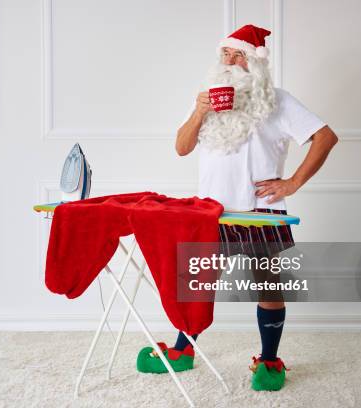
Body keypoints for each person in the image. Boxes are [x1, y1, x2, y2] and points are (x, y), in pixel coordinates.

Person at [136, 24, 338, 391]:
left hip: (261, 212)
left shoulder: (278, 100)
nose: (231, 61)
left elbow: (325, 137)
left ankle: (270, 359)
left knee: (268, 285)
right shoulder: (206, 99)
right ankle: (183, 351)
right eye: (226, 54)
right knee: (197, 283)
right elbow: (182, 147)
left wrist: (292, 182)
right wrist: (198, 113)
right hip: (210, 211)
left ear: (256, 62)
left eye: (240, 54)